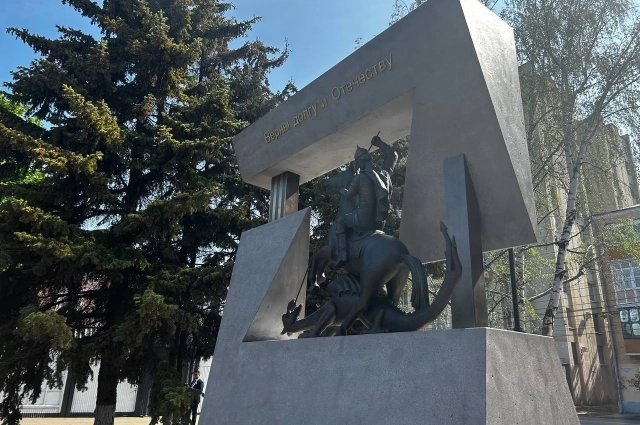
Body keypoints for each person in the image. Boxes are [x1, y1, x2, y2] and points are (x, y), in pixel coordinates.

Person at [334, 134, 397, 268]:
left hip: (363, 219)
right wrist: (379, 143)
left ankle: (343, 254)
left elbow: (349, 196)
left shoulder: (359, 178)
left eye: (357, 162)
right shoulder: (383, 173)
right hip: (379, 222)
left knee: (341, 222)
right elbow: (392, 156)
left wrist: (341, 190)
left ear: (361, 161)